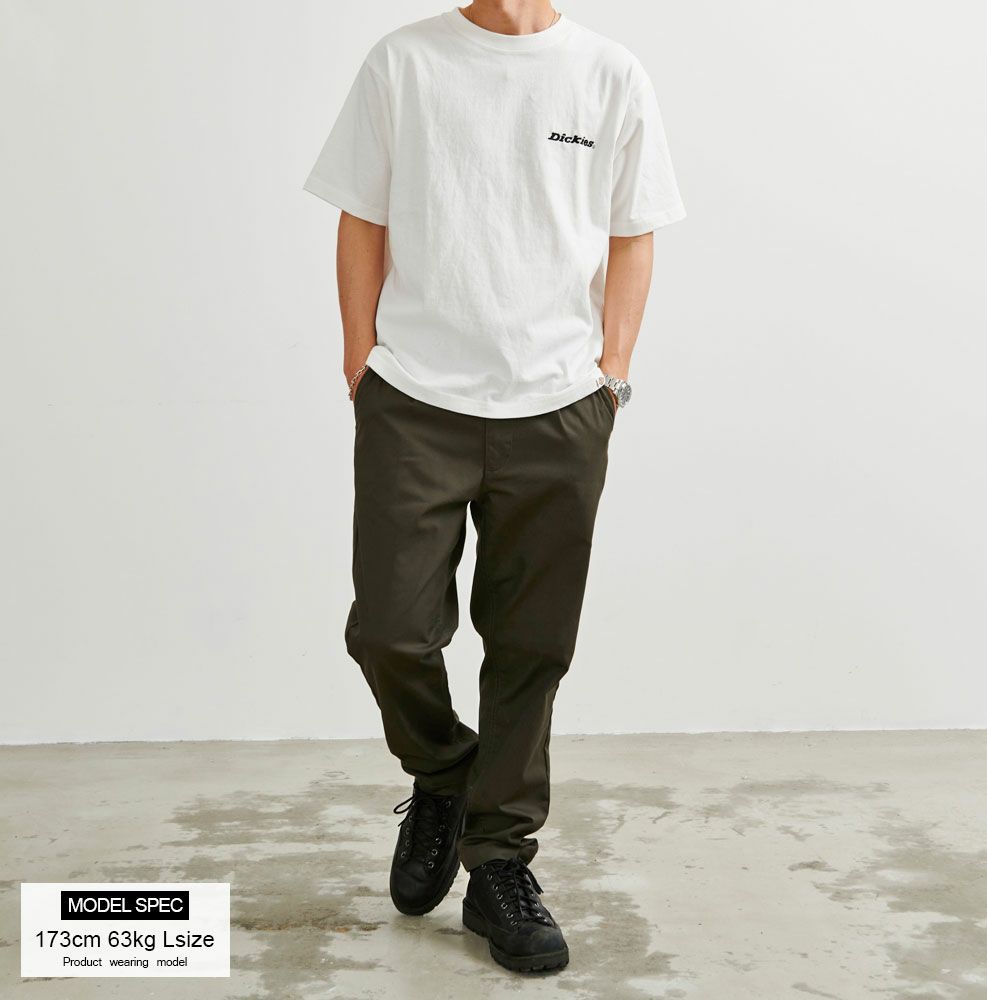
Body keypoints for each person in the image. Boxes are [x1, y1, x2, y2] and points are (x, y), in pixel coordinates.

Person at [303, 0, 684, 973]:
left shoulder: (608, 73)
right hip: (415, 399)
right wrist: (360, 362)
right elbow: (361, 215)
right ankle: (445, 773)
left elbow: (634, 230)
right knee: (390, 630)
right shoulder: (404, 62)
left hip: (558, 406)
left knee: (530, 647)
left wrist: (612, 376)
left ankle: (499, 863)